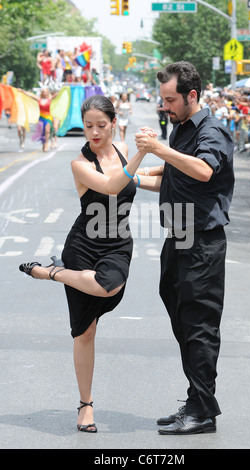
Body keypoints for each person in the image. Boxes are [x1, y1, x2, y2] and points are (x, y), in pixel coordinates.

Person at [18, 95, 146, 433]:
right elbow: (112, 185)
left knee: (110, 285)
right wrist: (143, 154)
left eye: (100, 126)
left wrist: (170, 163)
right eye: (88, 126)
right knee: (85, 330)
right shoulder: (80, 164)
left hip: (118, 244)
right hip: (83, 247)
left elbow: (141, 178)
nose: (94, 132)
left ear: (113, 123)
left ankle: (52, 273)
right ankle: (85, 405)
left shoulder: (120, 152)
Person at [135, 61, 234, 435]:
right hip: (178, 238)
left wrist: (158, 149)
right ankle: (195, 400)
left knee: (199, 328)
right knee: (182, 322)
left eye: (170, 99)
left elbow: (204, 171)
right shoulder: (180, 130)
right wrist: (129, 177)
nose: (165, 106)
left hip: (202, 243)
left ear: (192, 95)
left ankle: (204, 413)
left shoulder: (213, 131)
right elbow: (174, 179)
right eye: (163, 99)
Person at [18, 87, 58, 152]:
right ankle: (43, 143)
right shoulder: (39, 99)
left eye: (46, 92)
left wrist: (64, 88)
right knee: (42, 132)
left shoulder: (49, 99)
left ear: (47, 93)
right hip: (41, 118)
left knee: (47, 130)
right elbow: (30, 95)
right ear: (42, 93)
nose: (45, 93)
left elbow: (56, 95)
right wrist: (22, 91)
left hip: (48, 117)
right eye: (44, 92)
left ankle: (46, 144)